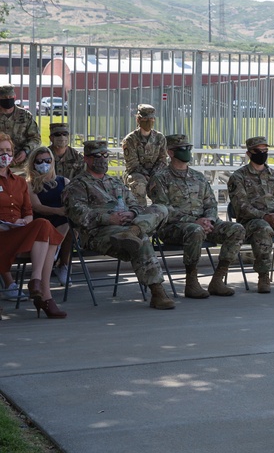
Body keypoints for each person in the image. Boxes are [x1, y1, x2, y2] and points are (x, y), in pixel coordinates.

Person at [62, 140, 175, 310]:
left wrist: (133, 213)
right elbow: (78, 215)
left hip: (127, 226)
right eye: (97, 156)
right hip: (99, 233)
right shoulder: (78, 185)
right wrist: (109, 218)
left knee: (160, 208)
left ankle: (132, 231)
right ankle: (157, 292)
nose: (102, 159)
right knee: (142, 239)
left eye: (105, 155)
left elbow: (136, 204)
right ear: (86, 159)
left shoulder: (115, 182)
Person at [148, 134, 245, 299]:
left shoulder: (198, 177)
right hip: (173, 228)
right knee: (195, 230)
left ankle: (218, 279)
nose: (186, 151)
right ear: (170, 153)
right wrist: (195, 221)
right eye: (182, 149)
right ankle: (191, 282)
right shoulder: (161, 178)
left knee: (236, 229)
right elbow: (163, 209)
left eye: (188, 148)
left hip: (203, 224)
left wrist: (209, 220)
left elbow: (211, 204)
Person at [0, 132, 66, 318]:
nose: (4, 155)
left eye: (8, 150)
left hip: (17, 234)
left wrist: (22, 222)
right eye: (0, 151)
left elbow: (28, 212)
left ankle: (36, 281)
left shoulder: (19, 182)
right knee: (49, 237)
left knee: (42, 225)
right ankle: (45, 295)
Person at [227, 136, 274, 293]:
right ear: (249, 154)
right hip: (250, 223)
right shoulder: (238, 177)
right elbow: (241, 206)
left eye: (265, 151)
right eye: (258, 151)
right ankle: (263, 276)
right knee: (263, 228)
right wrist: (264, 216)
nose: (262, 153)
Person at [26, 146, 73, 286]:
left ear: (52, 161)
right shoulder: (29, 184)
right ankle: (55, 249)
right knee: (63, 220)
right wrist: (58, 210)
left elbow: (72, 202)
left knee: (71, 222)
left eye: (47, 160)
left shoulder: (63, 181)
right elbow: (36, 206)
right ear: (33, 163)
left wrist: (65, 211)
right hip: (41, 221)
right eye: (39, 161)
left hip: (62, 222)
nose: (44, 164)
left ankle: (61, 263)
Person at [122, 104, 168, 206]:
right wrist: (146, 175)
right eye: (145, 119)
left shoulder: (159, 138)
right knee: (139, 184)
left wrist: (154, 175)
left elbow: (163, 160)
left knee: (164, 185)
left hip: (156, 173)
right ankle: (140, 211)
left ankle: (161, 211)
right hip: (136, 173)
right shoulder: (130, 139)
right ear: (138, 120)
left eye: (151, 119)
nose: (149, 122)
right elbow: (132, 164)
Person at [0, 84, 42, 170]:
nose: (8, 99)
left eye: (10, 96)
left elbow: (36, 139)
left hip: (21, 165)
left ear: (14, 96)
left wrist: (25, 151)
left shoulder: (26, 116)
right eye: (4, 97)